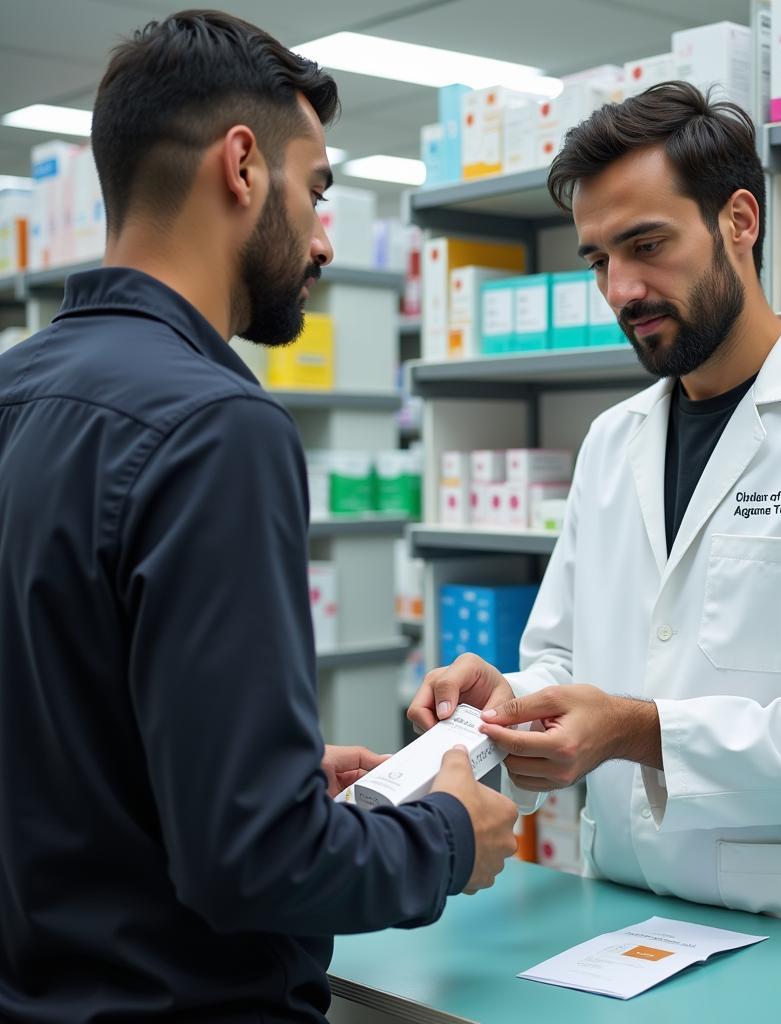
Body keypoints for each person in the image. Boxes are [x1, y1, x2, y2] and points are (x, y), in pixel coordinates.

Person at [0, 11, 516, 1023]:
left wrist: (267, 774)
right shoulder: (216, 426)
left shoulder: (16, 390)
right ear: (242, 166)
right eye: (318, 189)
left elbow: (62, 740)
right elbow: (252, 864)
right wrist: (450, 836)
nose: (325, 235)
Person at [409, 82, 781, 949]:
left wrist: (636, 730)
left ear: (739, 220)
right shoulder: (610, 441)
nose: (622, 288)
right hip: (625, 911)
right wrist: (507, 704)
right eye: (597, 259)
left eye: (647, 244)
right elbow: (563, 651)